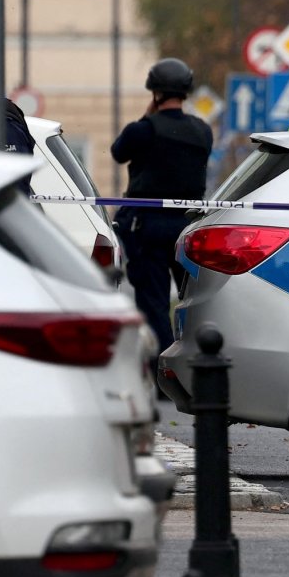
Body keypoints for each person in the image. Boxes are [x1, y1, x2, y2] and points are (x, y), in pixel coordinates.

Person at [112, 57, 213, 354]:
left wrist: (147, 118)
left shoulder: (143, 130)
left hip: (147, 227)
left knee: (153, 301)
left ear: (154, 92)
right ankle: (192, 361)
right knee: (190, 299)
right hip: (187, 226)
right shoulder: (202, 130)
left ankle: (161, 369)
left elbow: (119, 152)